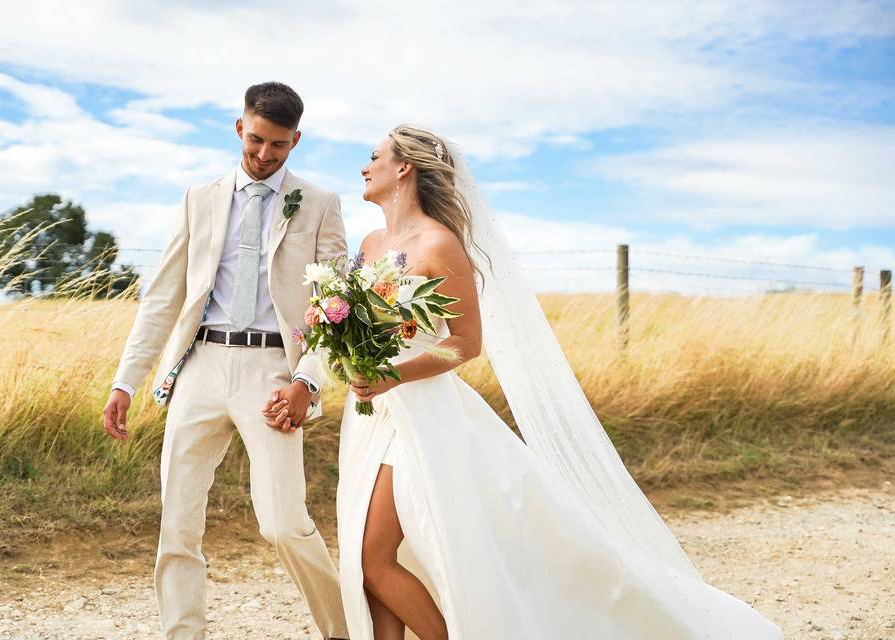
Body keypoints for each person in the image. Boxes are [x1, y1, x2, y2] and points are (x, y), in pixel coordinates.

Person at [332, 125, 784, 639]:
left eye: (374, 157)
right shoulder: (369, 244)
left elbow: (465, 342)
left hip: (421, 413)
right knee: (370, 557)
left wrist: (394, 373)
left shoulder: (439, 244)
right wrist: (348, 352)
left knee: (373, 556)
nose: (364, 168)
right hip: (370, 410)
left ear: (404, 167)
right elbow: (363, 323)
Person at [101, 82, 349, 640]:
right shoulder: (199, 198)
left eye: (278, 147)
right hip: (200, 365)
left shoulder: (320, 205)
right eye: (256, 140)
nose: (264, 156)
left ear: (296, 142)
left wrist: (308, 381)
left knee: (283, 522)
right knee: (178, 522)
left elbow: (338, 310)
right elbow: (163, 298)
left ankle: (344, 631)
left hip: (274, 373)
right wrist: (126, 382)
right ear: (240, 127)